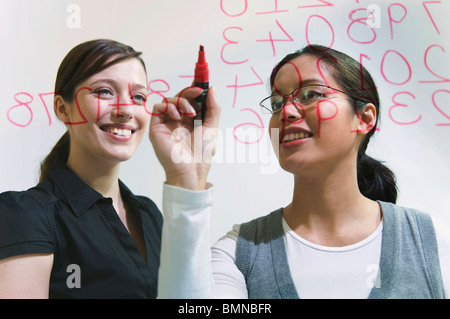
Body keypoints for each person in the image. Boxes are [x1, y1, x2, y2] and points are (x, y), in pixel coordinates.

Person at [159, 44, 450, 299]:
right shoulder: (239, 253)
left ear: (364, 118)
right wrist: (187, 178)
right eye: (276, 103)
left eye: (311, 94)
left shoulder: (434, 242)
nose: (286, 111)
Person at [0, 39, 221, 298]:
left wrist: (186, 176)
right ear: (63, 108)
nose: (125, 110)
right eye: (104, 91)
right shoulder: (25, 214)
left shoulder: (148, 214)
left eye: (138, 96)